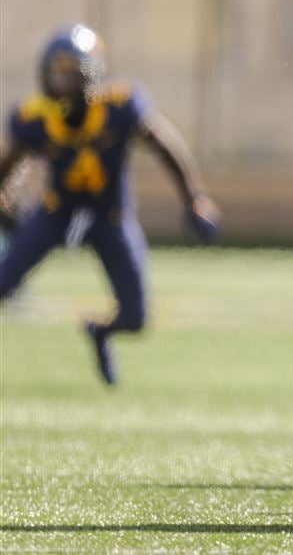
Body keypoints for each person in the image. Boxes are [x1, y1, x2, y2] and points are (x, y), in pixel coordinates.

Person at [0, 24, 220, 385]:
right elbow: (8, 165)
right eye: (59, 72)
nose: (65, 81)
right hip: (57, 212)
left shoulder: (119, 105)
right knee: (3, 284)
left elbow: (165, 144)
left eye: (74, 72)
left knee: (135, 318)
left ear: (93, 73)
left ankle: (100, 332)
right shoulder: (36, 116)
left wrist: (195, 198)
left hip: (111, 216)